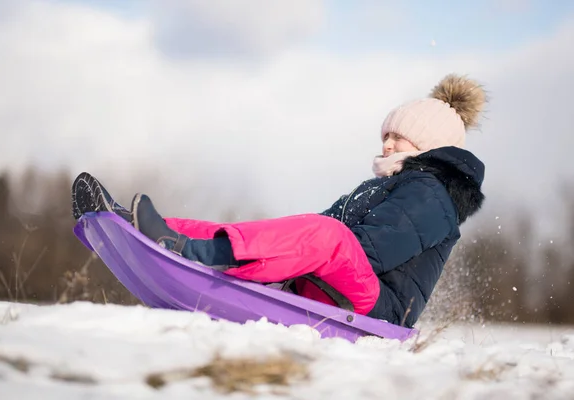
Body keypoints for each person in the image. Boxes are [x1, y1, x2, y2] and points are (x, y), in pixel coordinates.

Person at [72, 74, 487, 328]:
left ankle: (192, 252)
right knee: (300, 229)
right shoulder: (385, 186)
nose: (388, 142)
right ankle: (142, 226)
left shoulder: (431, 193)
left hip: (380, 306)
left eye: (399, 136)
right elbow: (324, 233)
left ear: (429, 146)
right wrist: (282, 249)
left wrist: (305, 250)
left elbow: (369, 250)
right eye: (385, 135)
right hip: (348, 286)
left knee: (326, 234)